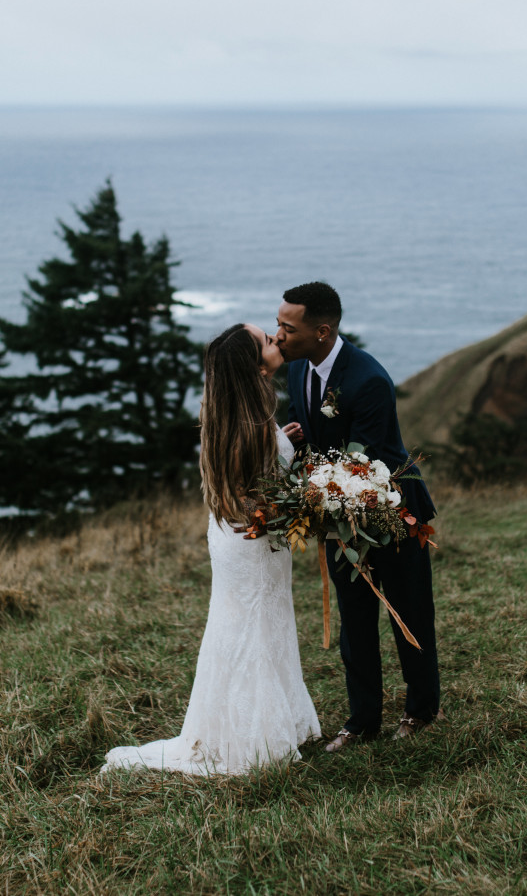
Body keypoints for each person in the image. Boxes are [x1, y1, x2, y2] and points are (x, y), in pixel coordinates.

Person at [102, 323, 320, 775]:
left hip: (234, 538)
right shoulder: (252, 421)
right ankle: (253, 742)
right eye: (266, 340)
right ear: (256, 365)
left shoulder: (233, 410)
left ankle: (264, 726)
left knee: (245, 627)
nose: (276, 341)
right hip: (253, 539)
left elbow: (251, 476)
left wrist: (285, 445)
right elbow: (253, 497)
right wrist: (300, 496)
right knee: (254, 631)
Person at [276, 281, 441, 751]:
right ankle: (363, 719)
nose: (279, 336)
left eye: (288, 328)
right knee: (355, 619)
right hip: (338, 514)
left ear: (322, 332)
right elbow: (313, 440)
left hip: (392, 512)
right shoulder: (297, 371)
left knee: (410, 613)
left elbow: (362, 462)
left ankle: (421, 710)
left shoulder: (368, 379)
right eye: (278, 325)